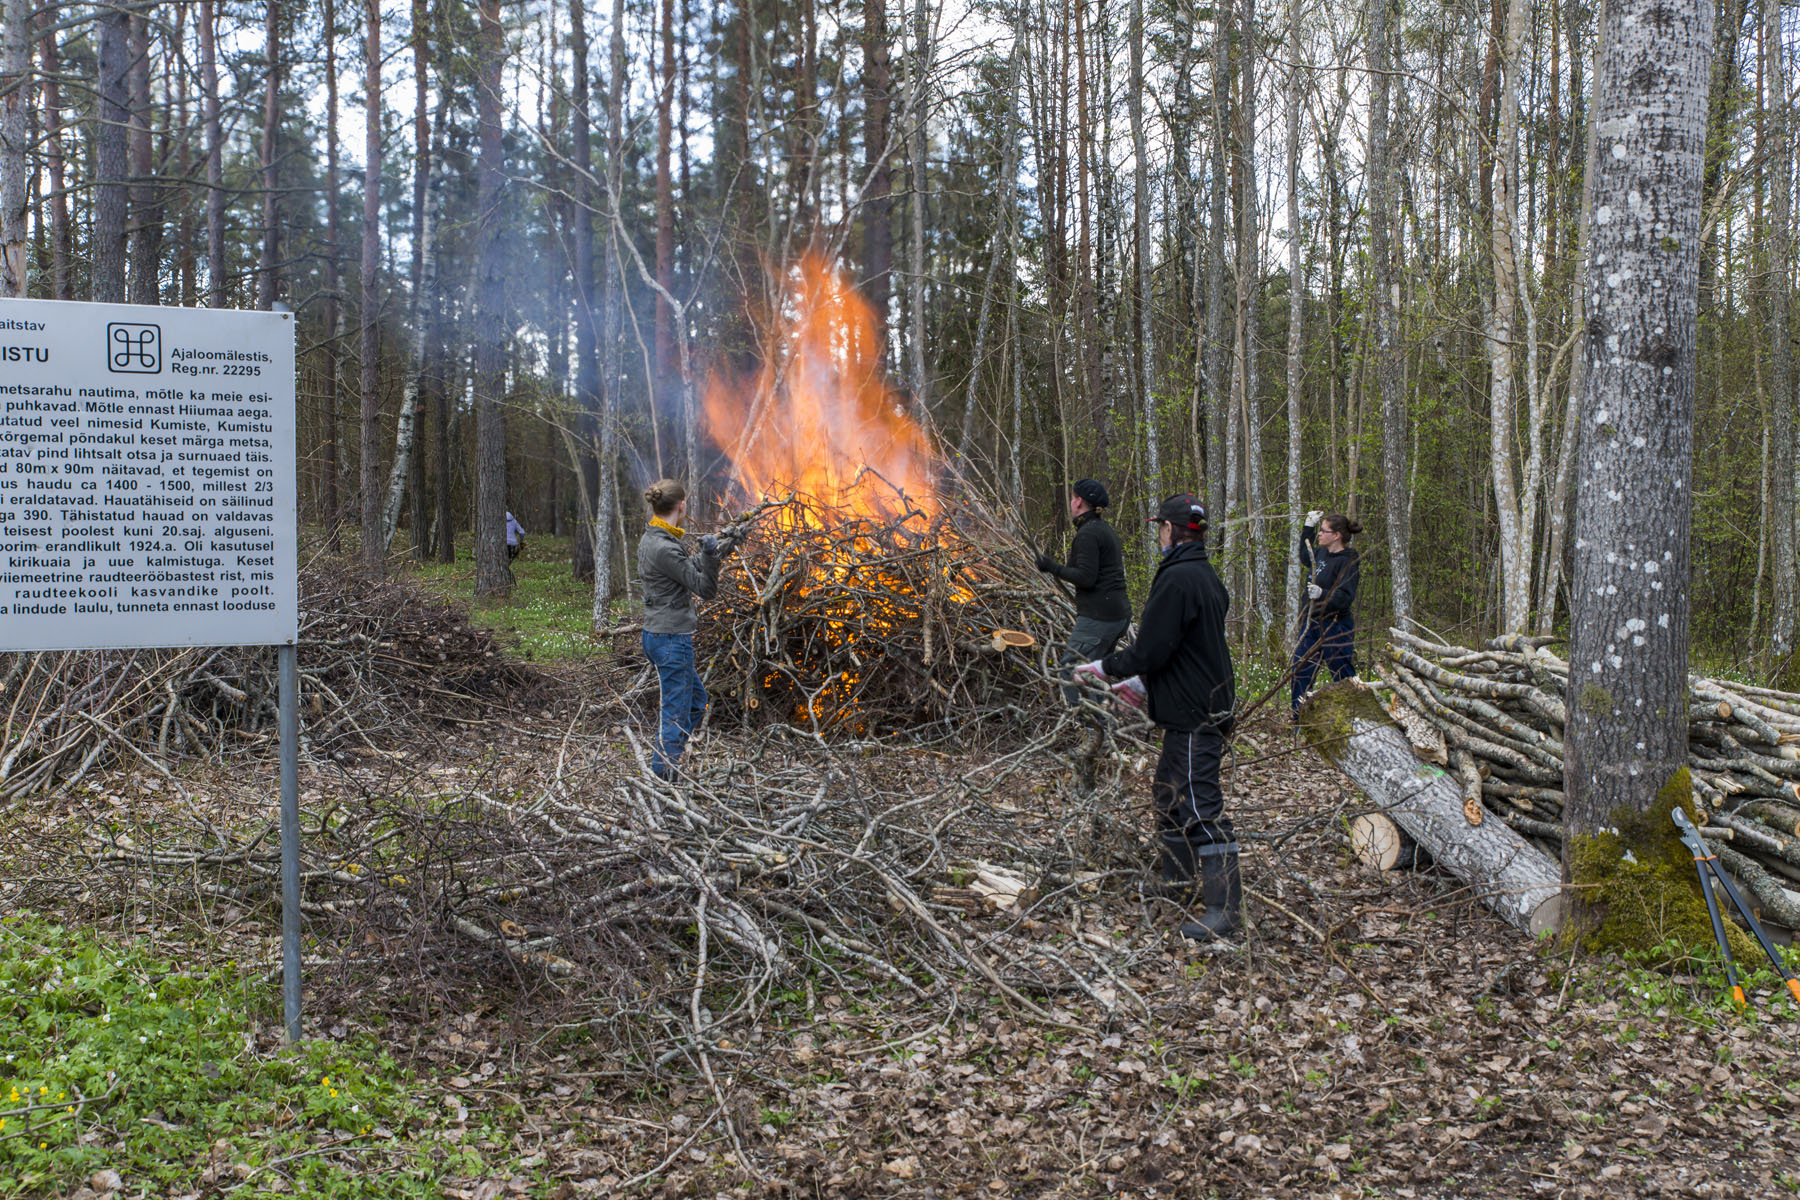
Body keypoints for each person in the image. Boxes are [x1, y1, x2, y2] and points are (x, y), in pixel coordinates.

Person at [1076, 493, 1239, 942]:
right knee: (1168, 794)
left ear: (1169, 530)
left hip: (1196, 713)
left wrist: (1105, 669)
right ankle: (1178, 882)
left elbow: (1152, 648)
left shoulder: (1179, 580)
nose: (1159, 535)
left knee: (1199, 806)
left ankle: (1224, 910)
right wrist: (1144, 685)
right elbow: (1185, 650)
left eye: (1160, 528)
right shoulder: (1205, 576)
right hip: (1193, 703)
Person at [637, 479, 739, 780]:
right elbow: (705, 588)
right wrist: (709, 556)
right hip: (670, 639)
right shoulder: (663, 546)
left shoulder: (655, 537)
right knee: (676, 711)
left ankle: (667, 764)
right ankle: (664, 777)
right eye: (686, 503)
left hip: (660, 636)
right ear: (681, 505)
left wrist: (723, 547)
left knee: (694, 702)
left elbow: (683, 566)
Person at [1035, 478, 1132, 707]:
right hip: (1115, 614)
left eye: (1072, 497)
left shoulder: (1089, 533)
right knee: (1092, 672)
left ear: (1078, 502)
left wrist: (1052, 567)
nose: (1070, 502)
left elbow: (1086, 578)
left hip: (1100, 617)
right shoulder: (1100, 529)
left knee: (1071, 669)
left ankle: (1088, 728)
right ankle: (1100, 731)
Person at [1291, 510, 1363, 721]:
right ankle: (1299, 720)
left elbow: (1345, 596)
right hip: (1311, 623)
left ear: (1337, 535)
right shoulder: (1320, 553)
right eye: (1319, 530)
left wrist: (1323, 594)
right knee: (1301, 670)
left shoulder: (1348, 560)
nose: (1320, 534)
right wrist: (1308, 528)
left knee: (1342, 675)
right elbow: (1306, 555)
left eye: (1323, 531)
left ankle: (1353, 720)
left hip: (1336, 626)